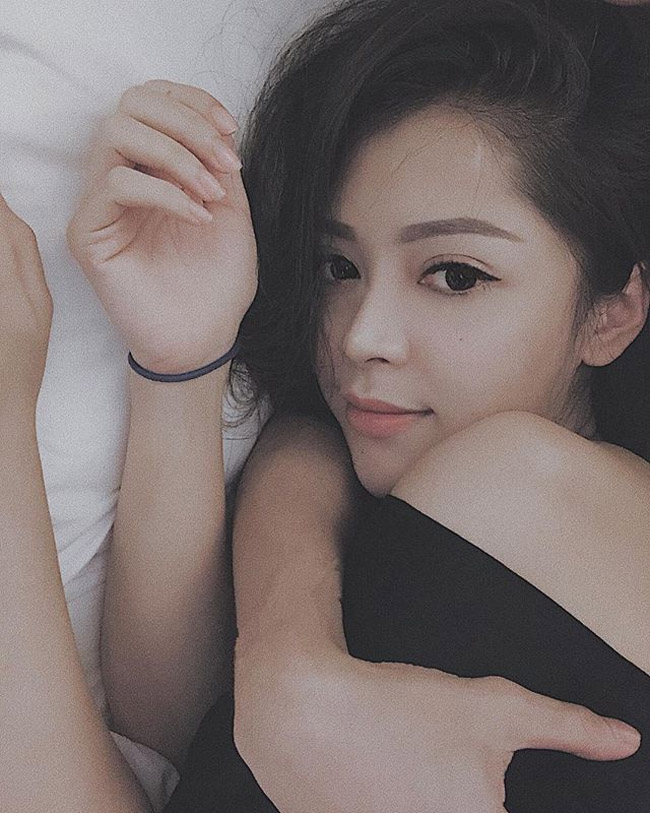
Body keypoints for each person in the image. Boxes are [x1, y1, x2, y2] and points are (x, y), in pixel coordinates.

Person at [155, 0, 650, 810]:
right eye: (337, 267)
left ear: (612, 312)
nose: (362, 336)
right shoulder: (442, 494)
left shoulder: (509, 489)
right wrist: (285, 647)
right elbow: (185, 734)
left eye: (456, 275)